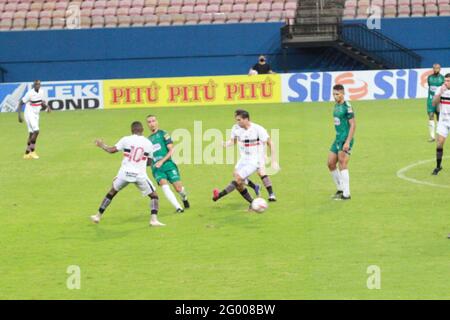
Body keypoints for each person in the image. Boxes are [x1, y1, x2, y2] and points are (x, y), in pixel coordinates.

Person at [90, 121, 165, 227]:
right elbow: (149, 162)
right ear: (142, 130)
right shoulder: (148, 143)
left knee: (112, 192)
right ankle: (153, 220)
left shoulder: (126, 139)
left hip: (124, 173)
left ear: (131, 130)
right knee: (154, 196)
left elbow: (111, 150)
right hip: (139, 175)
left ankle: (97, 216)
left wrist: (102, 144)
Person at [212, 109, 279, 208]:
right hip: (243, 158)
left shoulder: (258, 129)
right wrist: (224, 144)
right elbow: (233, 141)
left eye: (239, 120)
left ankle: (219, 195)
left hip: (255, 159)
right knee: (237, 180)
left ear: (246, 119)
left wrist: (273, 160)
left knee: (242, 177)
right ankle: (253, 200)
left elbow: (270, 143)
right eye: (236, 120)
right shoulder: (236, 128)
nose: (237, 122)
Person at [146, 115, 190, 213]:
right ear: (147, 125)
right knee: (164, 185)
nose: (152, 123)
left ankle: (184, 198)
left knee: (179, 189)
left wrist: (161, 161)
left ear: (157, 122)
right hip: (157, 168)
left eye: (153, 121)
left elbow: (171, 150)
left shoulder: (163, 134)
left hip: (168, 165)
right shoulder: (147, 140)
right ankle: (178, 207)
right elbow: (147, 157)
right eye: (149, 122)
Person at [327, 84, 356, 200]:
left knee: (342, 164)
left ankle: (346, 193)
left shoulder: (347, 106)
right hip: (337, 138)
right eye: (334, 94)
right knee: (330, 163)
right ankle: (340, 188)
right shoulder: (336, 105)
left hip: (345, 138)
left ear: (343, 94)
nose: (335, 96)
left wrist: (348, 141)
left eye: (337, 94)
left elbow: (353, 124)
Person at [17, 80, 50, 160]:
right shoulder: (30, 93)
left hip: (36, 114)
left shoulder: (41, 92)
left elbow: (40, 102)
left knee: (31, 133)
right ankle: (32, 151)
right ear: (33, 85)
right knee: (36, 131)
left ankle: (26, 153)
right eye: (36, 84)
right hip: (29, 114)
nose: (38, 85)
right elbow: (20, 103)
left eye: (39, 84)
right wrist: (19, 116)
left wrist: (47, 107)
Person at [431, 73, 450, 176]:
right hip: (443, 121)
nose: (446, 83)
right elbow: (434, 103)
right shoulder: (440, 89)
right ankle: (438, 166)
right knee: (439, 144)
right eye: (445, 81)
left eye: (448, 81)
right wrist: (439, 94)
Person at [426, 64, 445, 142]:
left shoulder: (442, 78)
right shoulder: (429, 78)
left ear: (440, 69)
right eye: (434, 68)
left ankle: (439, 135)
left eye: (437, 68)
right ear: (433, 69)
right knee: (430, 115)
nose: (436, 69)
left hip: (439, 100)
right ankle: (432, 136)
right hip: (430, 99)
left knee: (439, 117)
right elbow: (429, 87)